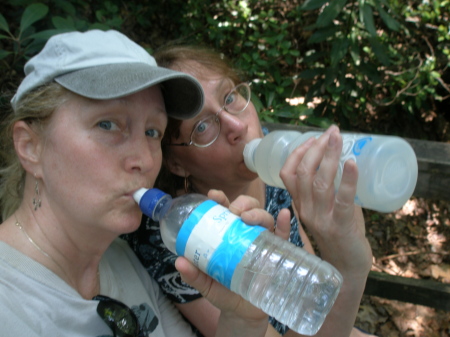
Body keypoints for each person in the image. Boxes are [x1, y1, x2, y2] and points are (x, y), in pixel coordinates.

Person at [0, 30, 289, 337]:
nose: (145, 159)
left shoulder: (125, 264)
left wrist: (242, 319)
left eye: (153, 132)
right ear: (31, 147)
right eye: (108, 124)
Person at [124, 44, 375, 337]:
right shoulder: (178, 236)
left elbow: (309, 275)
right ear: (177, 164)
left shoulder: (274, 164)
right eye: (203, 126)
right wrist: (347, 264)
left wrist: (338, 251)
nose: (236, 126)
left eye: (230, 97)